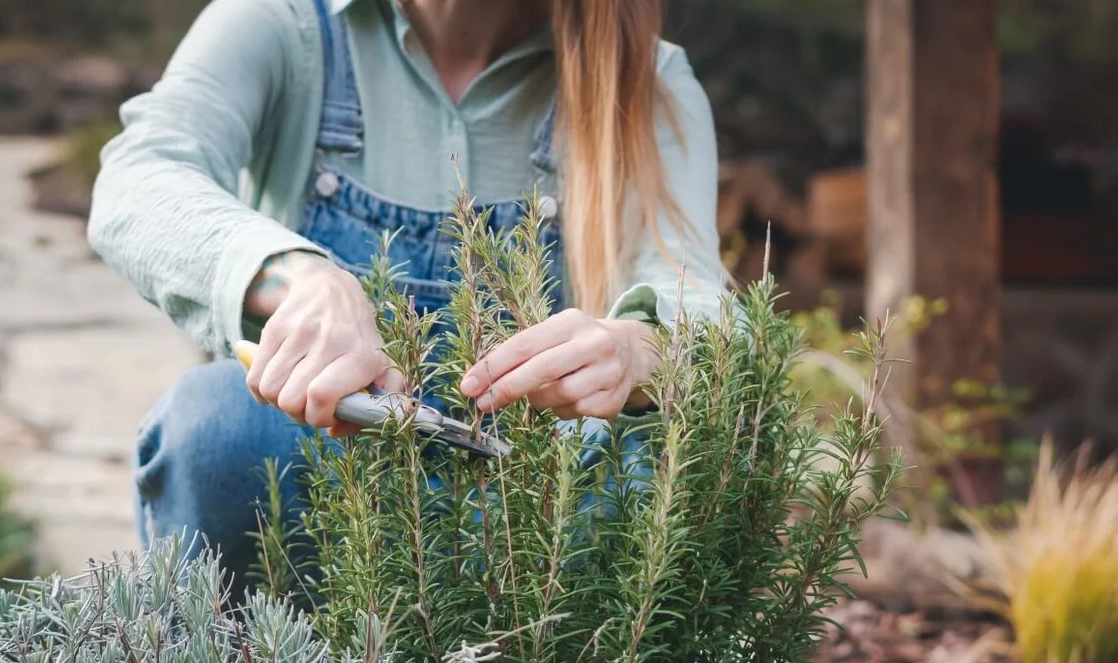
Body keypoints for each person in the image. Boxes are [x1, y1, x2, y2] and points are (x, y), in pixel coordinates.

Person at [88, 0, 728, 595]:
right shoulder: (289, 22)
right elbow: (140, 178)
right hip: (321, 495)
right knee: (215, 422)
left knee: (656, 473)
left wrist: (638, 349)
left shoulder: (649, 79)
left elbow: (701, 301)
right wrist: (301, 279)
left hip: (529, 537)